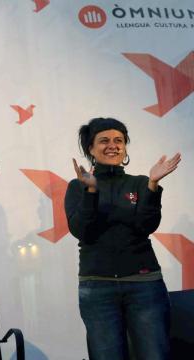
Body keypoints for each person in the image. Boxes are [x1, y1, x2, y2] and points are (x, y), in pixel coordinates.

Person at [64, 117, 181, 360]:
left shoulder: (139, 183)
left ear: (125, 146)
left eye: (119, 140)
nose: (113, 145)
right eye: (104, 140)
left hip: (144, 284)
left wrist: (152, 186)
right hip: (97, 287)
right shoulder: (78, 186)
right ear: (91, 149)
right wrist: (91, 191)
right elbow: (82, 231)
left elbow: (146, 225)